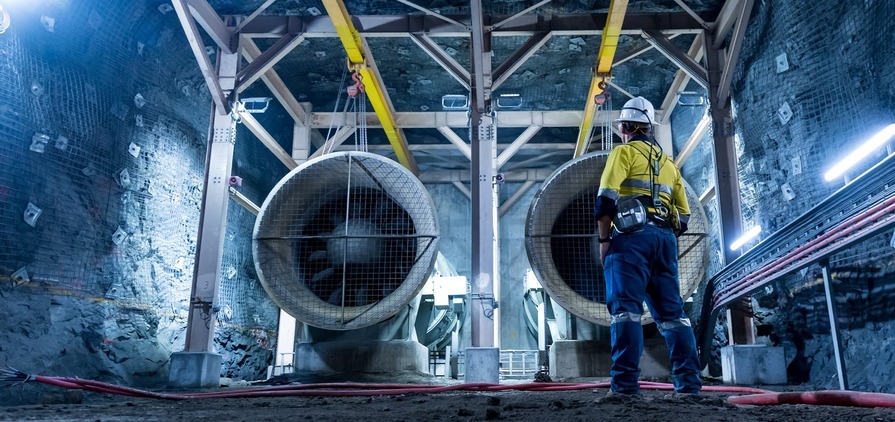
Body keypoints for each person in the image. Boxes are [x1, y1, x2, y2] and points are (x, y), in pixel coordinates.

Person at [594, 96, 701, 395]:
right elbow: (684, 217)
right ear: (650, 128)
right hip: (665, 240)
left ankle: (626, 389)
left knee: (626, 312)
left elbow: (605, 200)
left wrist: (605, 241)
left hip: (630, 241)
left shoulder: (623, 153)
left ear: (626, 127)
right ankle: (689, 387)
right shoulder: (670, 165)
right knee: (673, 316)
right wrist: (661, 236)